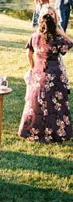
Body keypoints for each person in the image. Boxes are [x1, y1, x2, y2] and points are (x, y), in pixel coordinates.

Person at [18, 14, 72, 142]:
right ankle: (57, 133)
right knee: (57, 105)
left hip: (38, 74)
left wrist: (33, 67)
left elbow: (29, 53)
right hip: (55, 76)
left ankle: (31, 131)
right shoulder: (56, 40)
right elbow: (71, 43)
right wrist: (61, 32)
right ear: (54, 27)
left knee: (35, 105)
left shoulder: (34, 37)